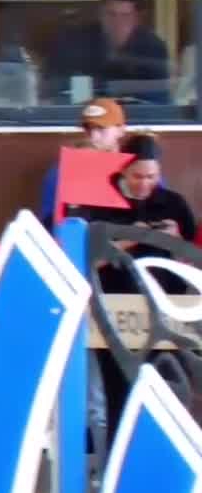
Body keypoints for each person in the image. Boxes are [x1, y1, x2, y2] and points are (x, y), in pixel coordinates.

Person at [68, 132, 198, 439]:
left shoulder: (172, 203)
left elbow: (191, 263)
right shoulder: (98, 204)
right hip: (112, 308)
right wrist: (129, 239)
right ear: (123, 170)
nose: (144, 184)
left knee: (164, 389)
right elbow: (80, 263)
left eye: (151, 177)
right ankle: (118, 456)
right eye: (137, 176)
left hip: (162, 308)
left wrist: (175, 240)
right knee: (118, 390)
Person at [44, 0, 171, 104]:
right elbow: (55, 92)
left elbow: (159, 101)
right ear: (100, 14)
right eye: (111, 14)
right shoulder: (73, 43)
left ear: (136, 18)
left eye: (125, 16)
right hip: (85, 113)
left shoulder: (153, 48)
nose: (117, 23)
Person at [38, 97, 128, 224]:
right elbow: (49, 224)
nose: (93, 136)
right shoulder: (59, 172)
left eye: (101, 128)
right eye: (88, 129)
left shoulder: (137, 170)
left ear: (121, 130)